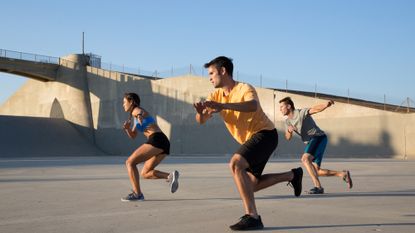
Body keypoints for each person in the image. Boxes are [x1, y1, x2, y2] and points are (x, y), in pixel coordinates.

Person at [194, 56, 303, 231]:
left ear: (223, 71)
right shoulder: (215, 95)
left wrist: (224, 106)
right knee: (251, 185)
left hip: (265, 134)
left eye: (212, 73)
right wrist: (200, 113)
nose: (210, 77)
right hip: (253, 139)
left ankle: (253, 217)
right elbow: (202, 119)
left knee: (236, 164)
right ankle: (292, 175)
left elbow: (252, 105)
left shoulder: (244, 88)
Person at [279, 97, 353, 194]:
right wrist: (289, 131)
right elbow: (288, 137)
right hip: (311, 141)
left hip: (318, 137)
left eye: (281, 106)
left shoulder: (300, 113)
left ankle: (318, 187)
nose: (280, 109)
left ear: (288, 106)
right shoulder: (287, 122)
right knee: (316, 171)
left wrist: (326, 105)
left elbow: (314, 109)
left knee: (305, 159)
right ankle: (342, 174)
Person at [121, 92, 179, 201]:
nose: (123, 105)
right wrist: (127, 129)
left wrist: (139, 116)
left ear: (131, 102)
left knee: (130, 162)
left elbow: (140, 112)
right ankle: (170, 176)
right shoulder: (134, 117)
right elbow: (133, 136)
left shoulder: (136, 111)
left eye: (124, 102)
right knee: (145, 173)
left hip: (156, 139)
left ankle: (137, 194)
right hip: (163, 142)